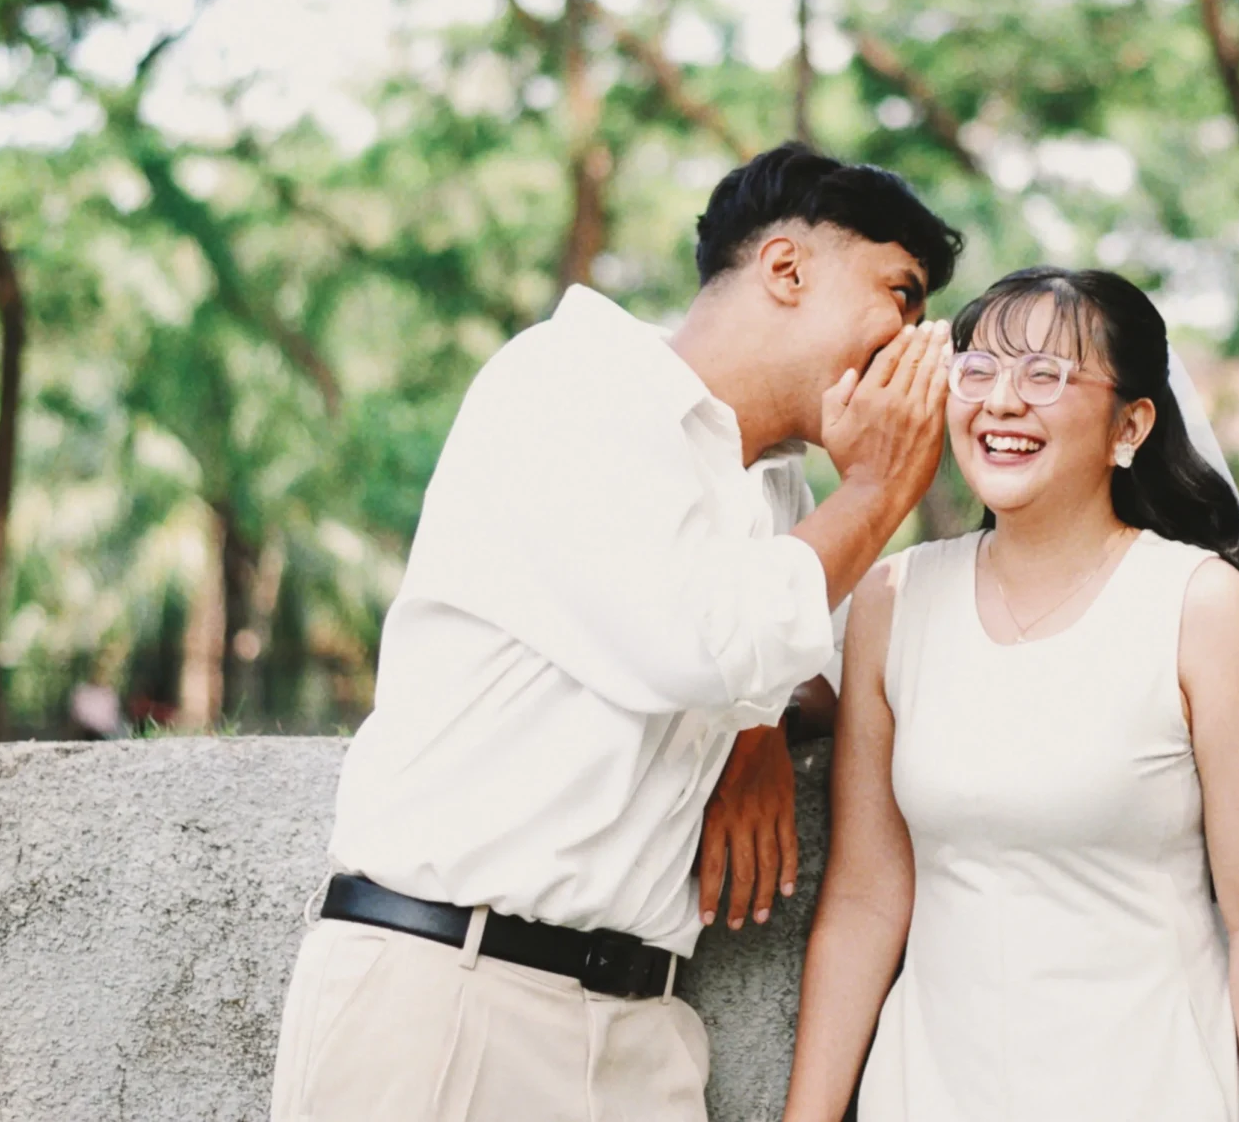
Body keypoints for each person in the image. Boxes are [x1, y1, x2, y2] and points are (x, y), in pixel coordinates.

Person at [268, 145, 962, 1122]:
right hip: (449, 992)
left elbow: (830, 667)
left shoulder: (776, 490)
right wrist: (880, 489)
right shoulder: (574, 381)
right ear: (786, 268)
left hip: (641, 1027)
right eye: (901, 294)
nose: (913, 344)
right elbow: (702, 642)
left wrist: (757, 725)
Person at [783, 267, 1239, 1122]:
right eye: (977, 370)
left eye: (1045, 375)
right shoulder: (894, 600)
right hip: (929, 1095)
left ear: (1130, 425)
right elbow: (862, 900)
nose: (1001, 402)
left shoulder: (1200, 608)